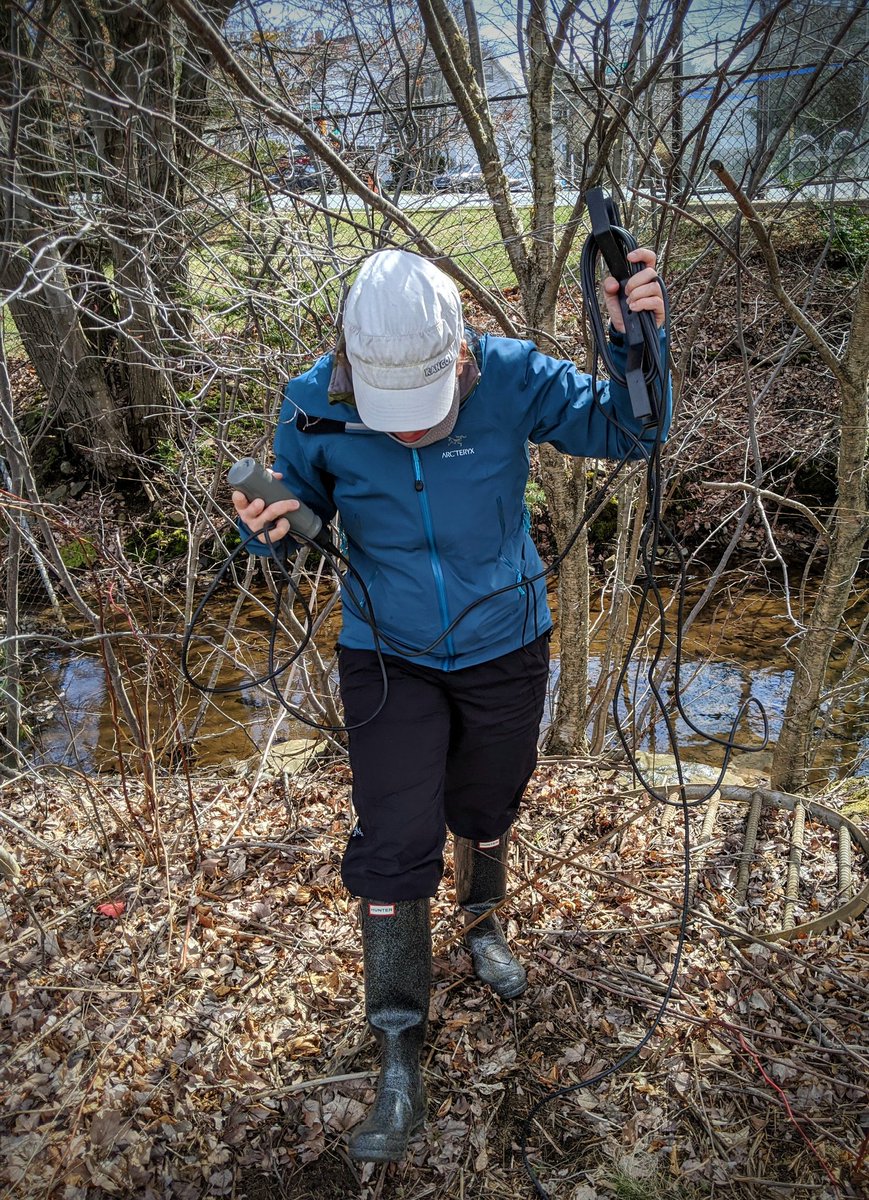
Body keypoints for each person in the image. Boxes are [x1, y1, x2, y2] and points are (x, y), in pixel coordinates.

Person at [233, 247, 669, 1163]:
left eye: (426, 414)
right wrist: (266, 533)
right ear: (350, 366)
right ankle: (397, 1040)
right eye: (390, 418)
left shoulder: (510, 376)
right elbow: (292, 517)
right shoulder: (310, 402)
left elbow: (633, 433)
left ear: (460, 357)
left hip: (505, 640)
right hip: (385, 652)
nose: (410, 437)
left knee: (487, 802)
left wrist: (636, 344)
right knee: (393, 840)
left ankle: (481, 925)